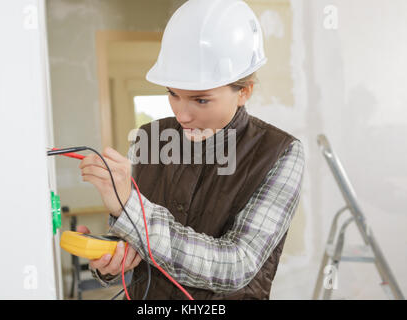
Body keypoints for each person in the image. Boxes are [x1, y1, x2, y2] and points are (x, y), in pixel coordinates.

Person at [77, 0, 304, 300]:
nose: (182, 115)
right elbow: (134, 243)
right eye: (173, 94)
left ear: (244, 91)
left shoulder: (280, 152)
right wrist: (109, 261)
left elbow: (236, 266)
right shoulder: (149, 137)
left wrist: (131, 207)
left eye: (200, 100)